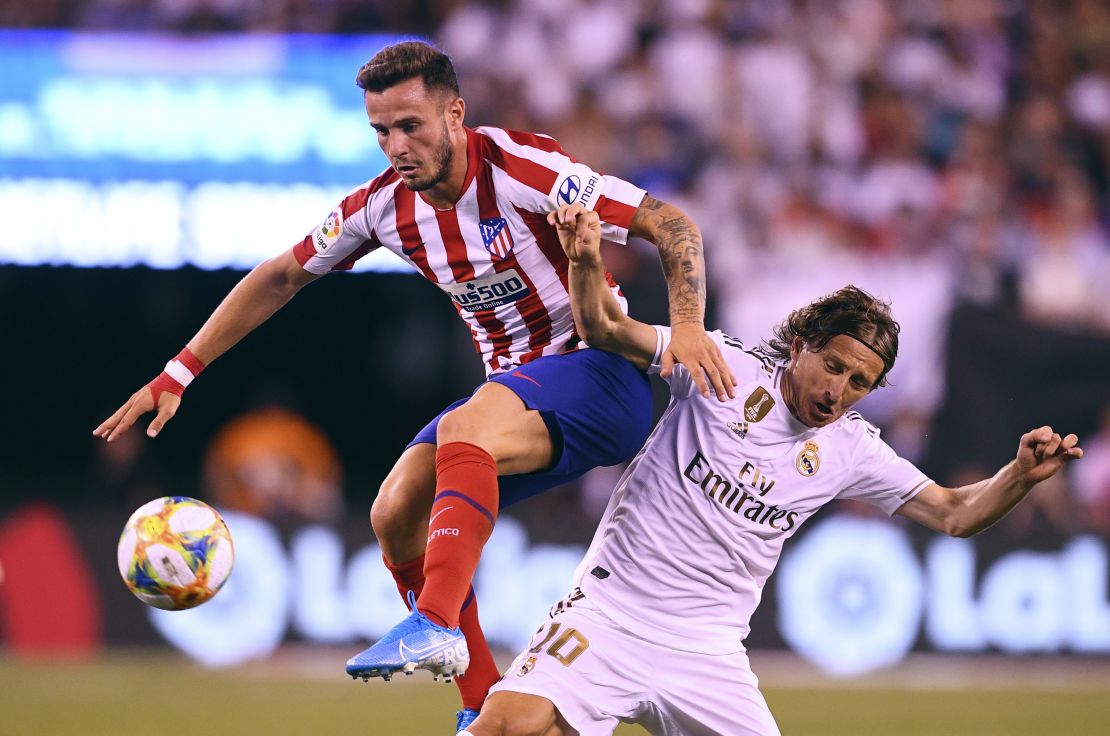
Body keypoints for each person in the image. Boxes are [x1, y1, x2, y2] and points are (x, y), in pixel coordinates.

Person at [91, 41, 736, 732]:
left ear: (454, 114)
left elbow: (671, 223)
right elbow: (280, 275)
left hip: (605, 376)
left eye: (411, 125)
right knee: (395, 511)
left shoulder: (522, 167)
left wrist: (689, 326)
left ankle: (434, 620)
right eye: (381, 131)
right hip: (519, 395)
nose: (396, 145)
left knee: (467, 428)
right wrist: (179, 371)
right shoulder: (381, 207)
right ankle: (480, 705)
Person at [460, 204, 1084, 736]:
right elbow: (602, 327)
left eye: (861, 383)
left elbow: (953, 513)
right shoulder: (717, 368)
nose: (840, 391)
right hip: (609, 615)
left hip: (709, 653)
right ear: (800, 345)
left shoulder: (853, 449)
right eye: (834, 366)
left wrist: (1019, 476)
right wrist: (585, 260)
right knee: (504, 726)